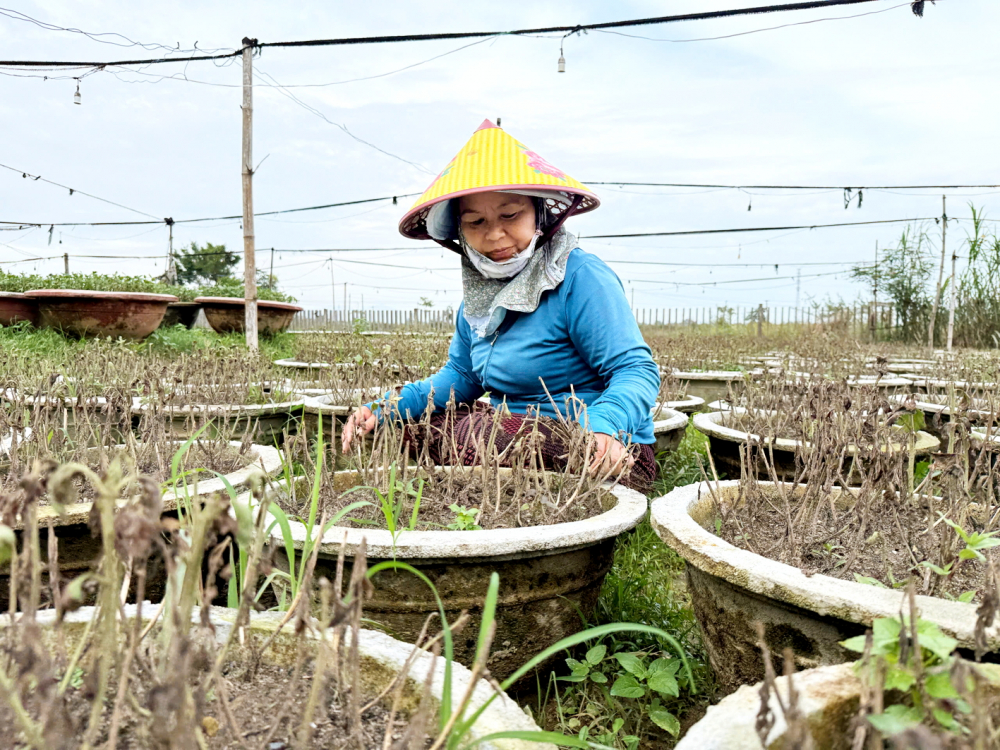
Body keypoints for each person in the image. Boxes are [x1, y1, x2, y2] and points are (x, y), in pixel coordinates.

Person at [341, 120, 660, 491]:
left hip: (595, 441)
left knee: (482, 436)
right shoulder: (478, 296)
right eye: (475, 221)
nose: (494, 234)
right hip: (508, 426)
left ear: (539, 213)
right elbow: (463, 375)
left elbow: (635, 369)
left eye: (510, 215)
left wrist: (605, 426)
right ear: (460, 231)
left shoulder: (579, 276)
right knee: (414, 425)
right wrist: (388, 407)